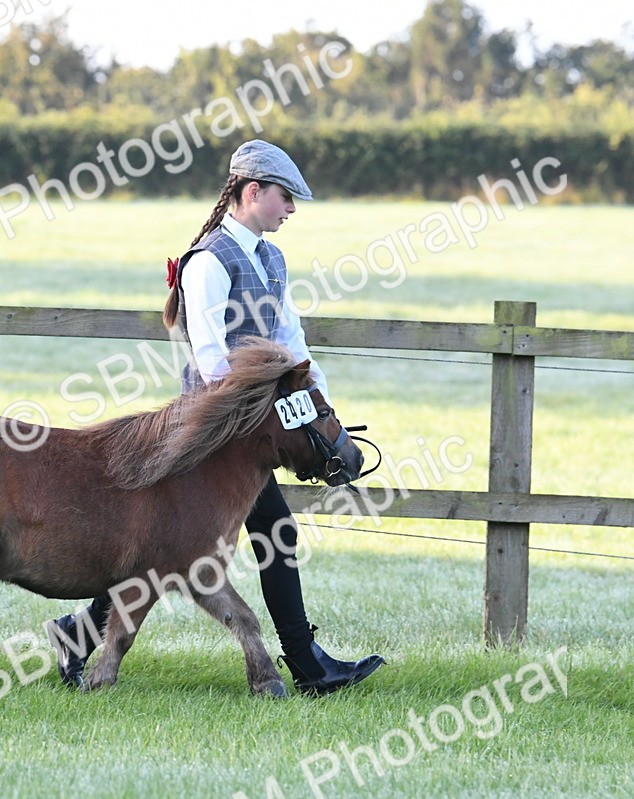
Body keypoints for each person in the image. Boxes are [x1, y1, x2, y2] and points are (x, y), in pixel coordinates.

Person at [47, 139, 384, 696]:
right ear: (252, 192)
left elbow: (289, 341)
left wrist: (321, 407)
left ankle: (78, 634)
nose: (291, 210)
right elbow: (210, 361)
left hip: (252, 434)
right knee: (242, 533)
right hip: (208, 434)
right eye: (284, 198)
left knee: (182, 540)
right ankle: (306, 665)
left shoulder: (271, 258)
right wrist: (269, 413)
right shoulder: (209, 262)